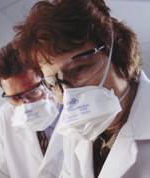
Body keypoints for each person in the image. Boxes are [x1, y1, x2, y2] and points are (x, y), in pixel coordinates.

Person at [14, 0, 150, 178]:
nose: (69, 95)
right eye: (54, 83)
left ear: (118, 53)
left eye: (79, 69)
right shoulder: (76, 131)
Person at [0, 42, 63, 178]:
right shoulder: (3, 117)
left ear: (47, 80)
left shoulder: (71, 106)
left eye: (33, 92)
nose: (25, 105)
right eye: (15, 98)